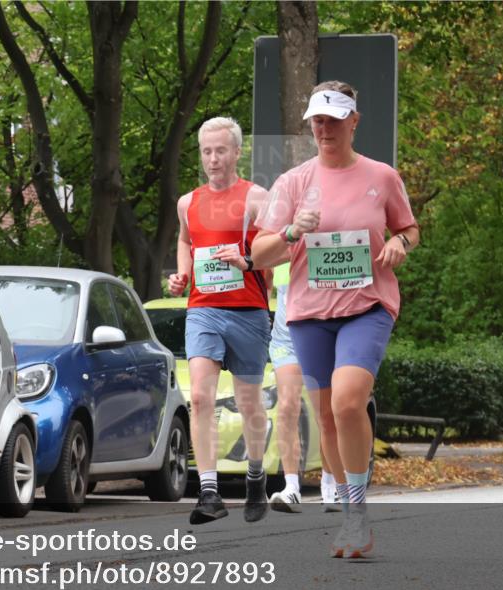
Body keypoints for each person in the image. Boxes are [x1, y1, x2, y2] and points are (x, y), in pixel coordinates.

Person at [252, 81, 419, 557]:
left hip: (367, 306)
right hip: (309, 312)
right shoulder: (293, 182)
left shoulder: (381, 176)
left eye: (332, 119)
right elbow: (260, 252)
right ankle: (350, 515)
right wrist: (290, 230)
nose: (323, 128)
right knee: (326, 416)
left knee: (348, 403)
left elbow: (409, 228)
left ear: (353, 121)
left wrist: (398, 245)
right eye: (316, 121)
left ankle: (359, 514)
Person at [168, 117, 272, 525]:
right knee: (201, 398)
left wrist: (247, 260)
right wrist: (181, 274)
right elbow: (185, 240)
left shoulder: (256, 198)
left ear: (236, 152)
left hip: (248, 311)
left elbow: (274, 247)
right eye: (207, 151)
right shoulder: (187, 202)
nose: (213, 158)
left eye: (221, 150)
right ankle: (209, 492)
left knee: (249, 404)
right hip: (203, 309)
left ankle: (255, 477)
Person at [266, 262, 342, 513]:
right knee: (287, 405)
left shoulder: (320, 234)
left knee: (326, 413)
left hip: (319, 330)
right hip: (285, 336)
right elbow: (265, 274)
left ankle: (330, 487)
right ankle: (291, 488)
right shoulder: (282, 238)